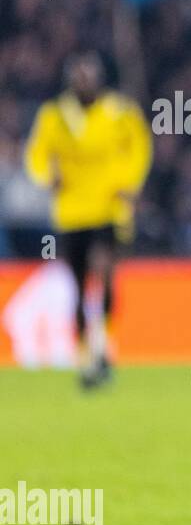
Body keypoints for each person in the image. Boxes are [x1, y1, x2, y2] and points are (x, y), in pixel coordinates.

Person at [24, 52, 152, 388]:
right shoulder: (54, 116)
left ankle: (103, 345)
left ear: (99, 79)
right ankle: (86, 357)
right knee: (79, 288)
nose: (84, 83)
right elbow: (37, 153)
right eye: (79, 77)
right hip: (71, 213)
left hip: (109, 210)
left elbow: (139, 147)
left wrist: (130, 184)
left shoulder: (120, 113)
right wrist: (46, 177)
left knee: (105, 273)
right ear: (70, 81)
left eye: (89, 76)